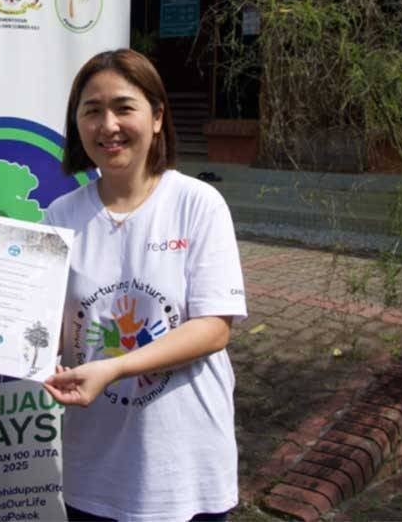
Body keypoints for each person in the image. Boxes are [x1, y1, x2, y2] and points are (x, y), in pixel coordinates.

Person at [42, 49, 247, 522]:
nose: (107, 125)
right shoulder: (60, 216)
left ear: (156, 117)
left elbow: (214, 328)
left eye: (123, 107)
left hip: (187, 467)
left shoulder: (198, 204)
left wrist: (114, 367)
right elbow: (46, 328)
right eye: (92, 111)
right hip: (95, 470)